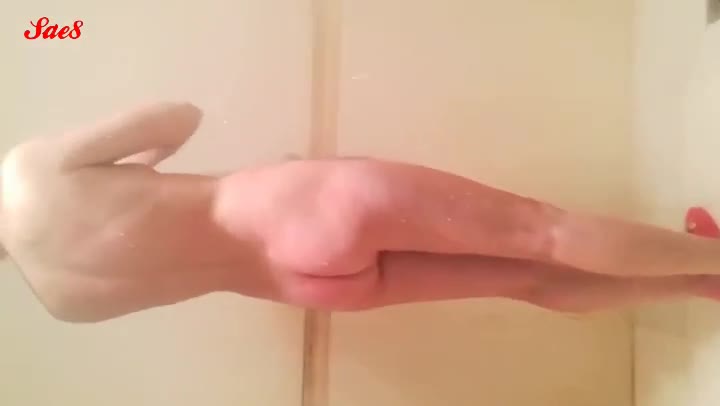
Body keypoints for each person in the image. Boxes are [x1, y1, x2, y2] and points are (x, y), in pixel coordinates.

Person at [1, 101, 718, 323]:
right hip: (302, 208)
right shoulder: (27, 175)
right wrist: (144, 170)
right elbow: (178, 115)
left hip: (300, 285)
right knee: (540, 231)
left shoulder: (62, 302)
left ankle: (696, 281)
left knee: (525, 281)